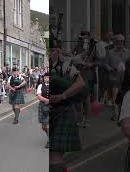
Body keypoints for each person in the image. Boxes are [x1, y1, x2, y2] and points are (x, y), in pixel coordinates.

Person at [49, 43, 85, 172]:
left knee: (55, 156)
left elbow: (80, 84)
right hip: (47, 113)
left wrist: (63, 96)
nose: (50, 53)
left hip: (63, 111)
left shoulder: (66, 66)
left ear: (58, 51)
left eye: (52, 50)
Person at [105, 34, 130, 121]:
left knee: (124, 96)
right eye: (118, 41)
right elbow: (106, 64)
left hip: (125, 78)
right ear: (115, 42)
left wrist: (128, 69)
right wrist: (111, 69)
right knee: (115, 95)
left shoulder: (127, 52)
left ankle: (122, 114)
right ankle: (116, 114)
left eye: (122, 41)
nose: (120, 43)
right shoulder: (110, 52)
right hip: (114, 77)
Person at [36, 72, 50, 148]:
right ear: (43, 79)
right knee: (43, 127)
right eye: (46, 77)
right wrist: (46, 100)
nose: (47, 79)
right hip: (42, 106)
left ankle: (49, 141)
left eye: (48, 77)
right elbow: (39, 96)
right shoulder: (40, 86)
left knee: (48, 125)